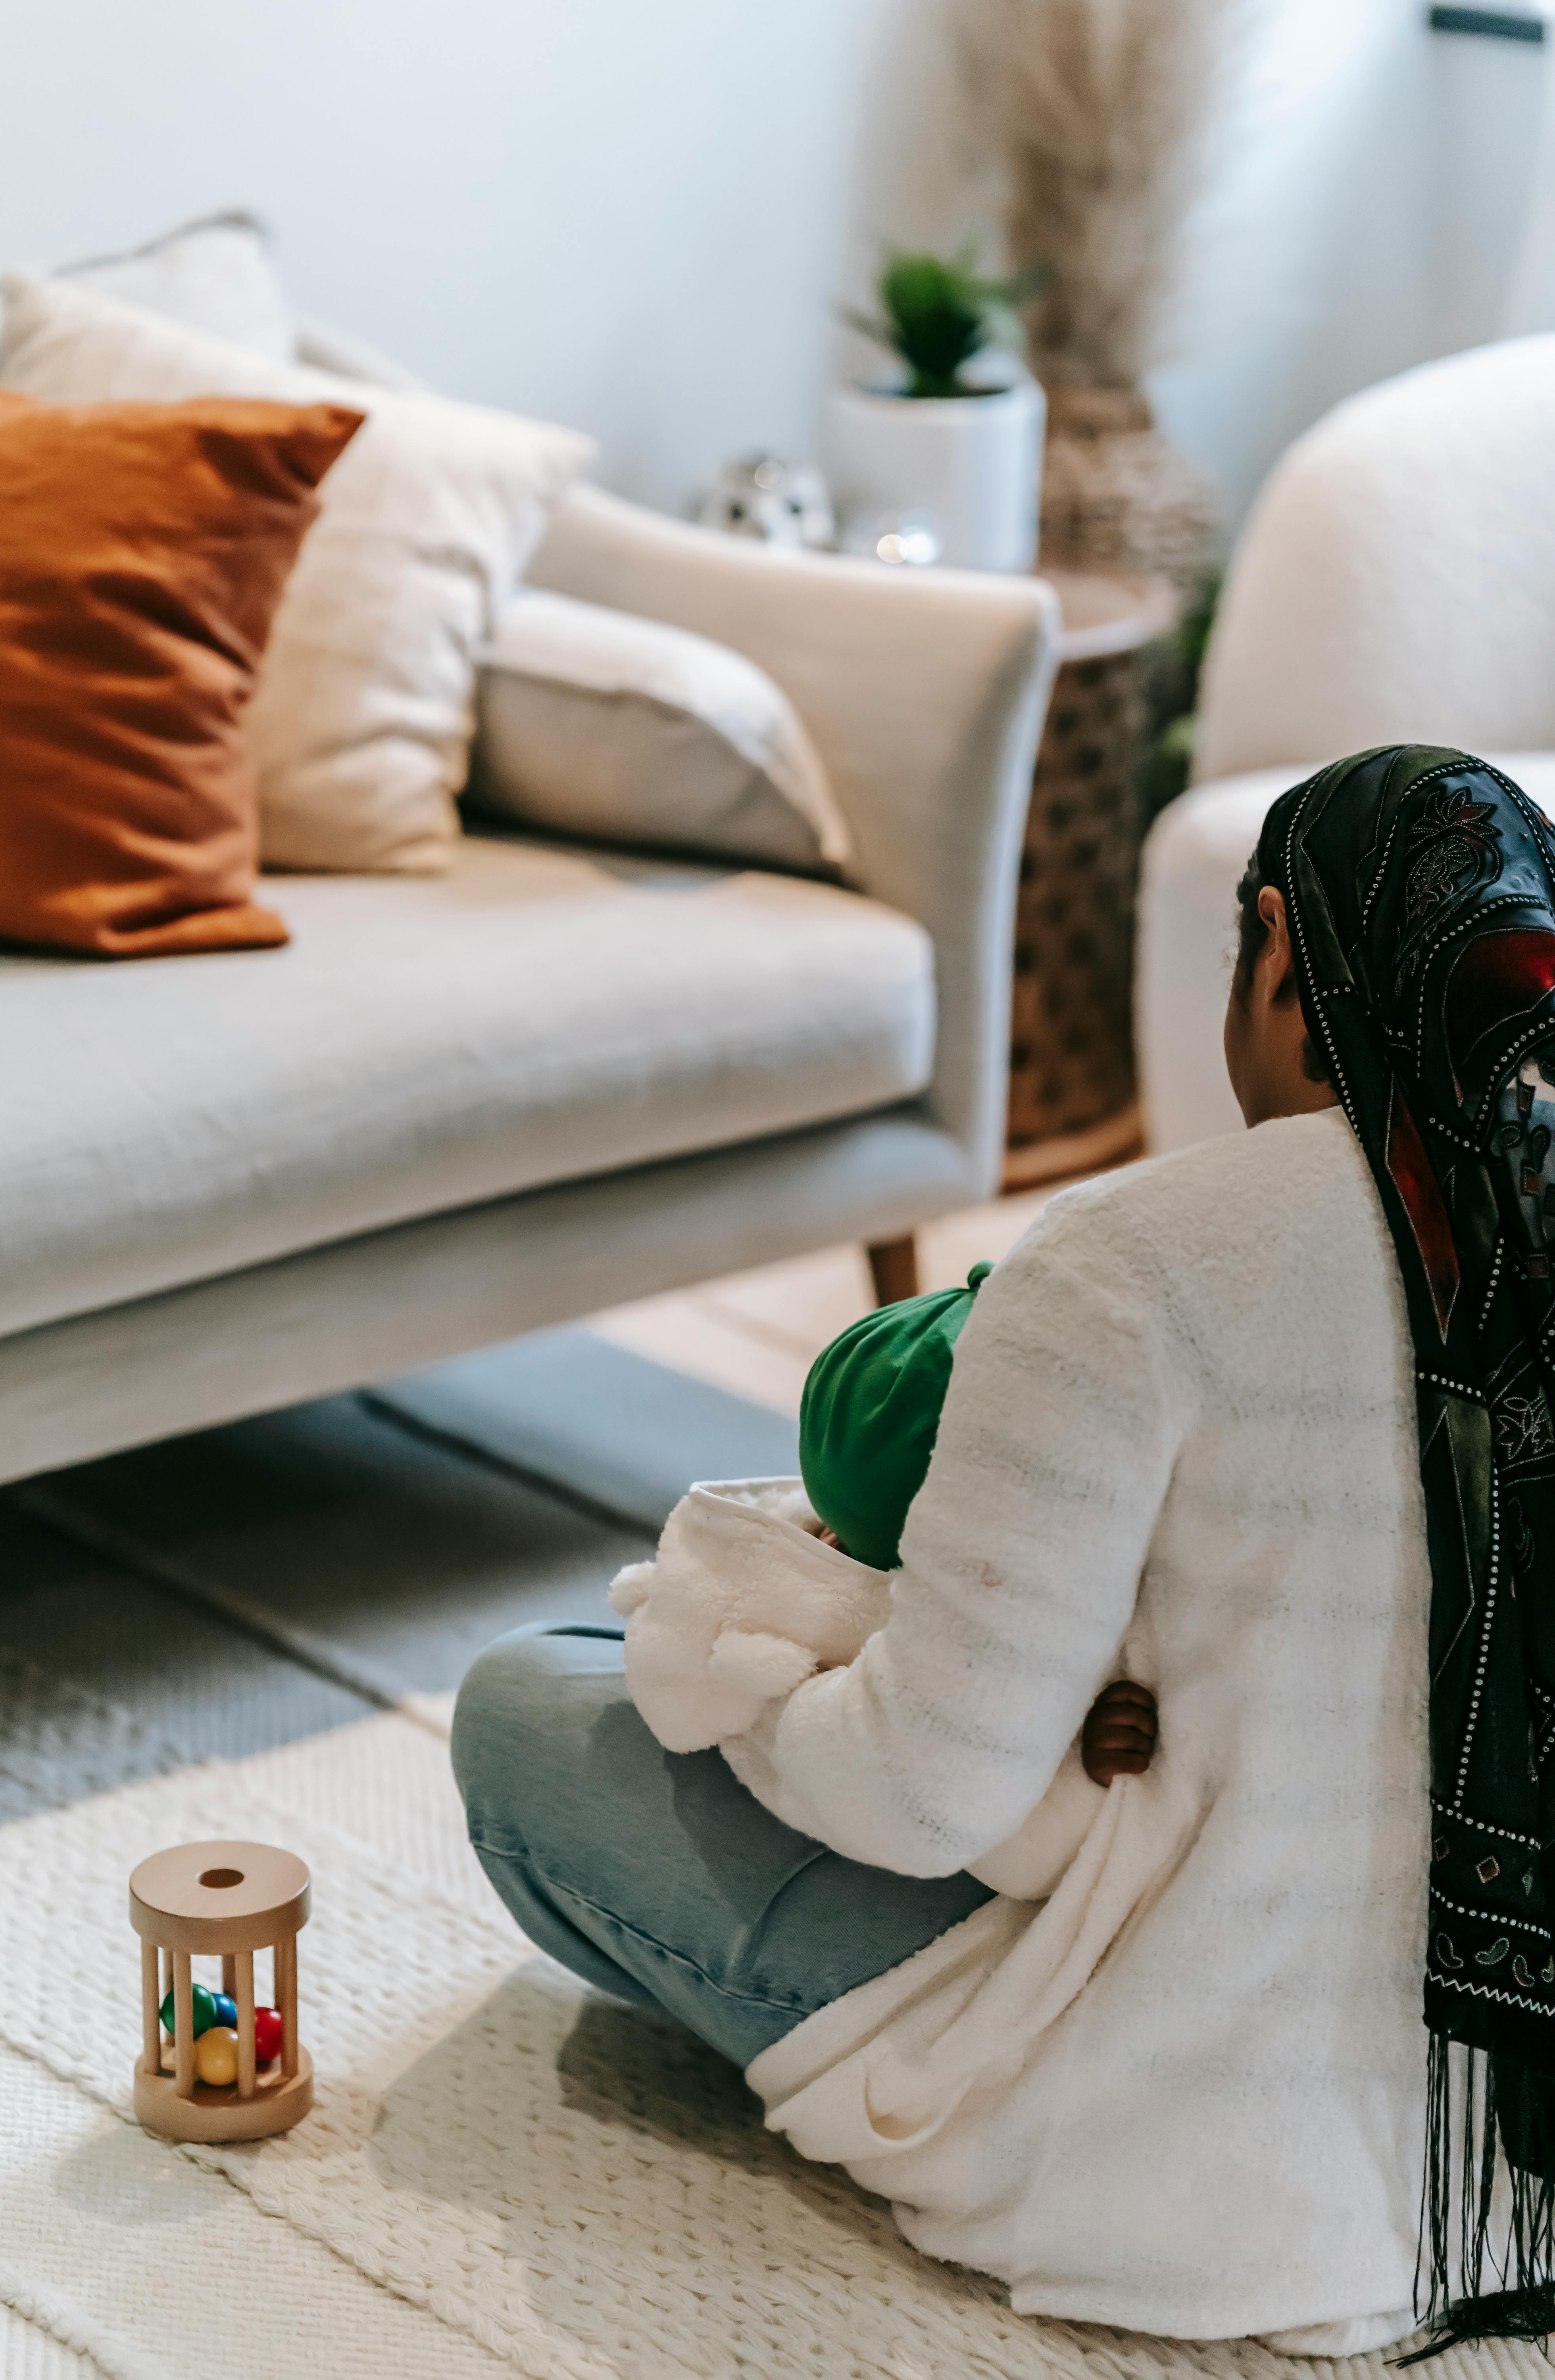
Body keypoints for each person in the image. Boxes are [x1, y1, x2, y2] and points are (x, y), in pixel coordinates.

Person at [453, 745, 1555, 2357]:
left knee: (527, 1707)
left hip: (1201, 2153)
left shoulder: (1134, 1259)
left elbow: (924, 1792)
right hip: (1508, 2140)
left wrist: (773, 1672)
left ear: (1268, 943)